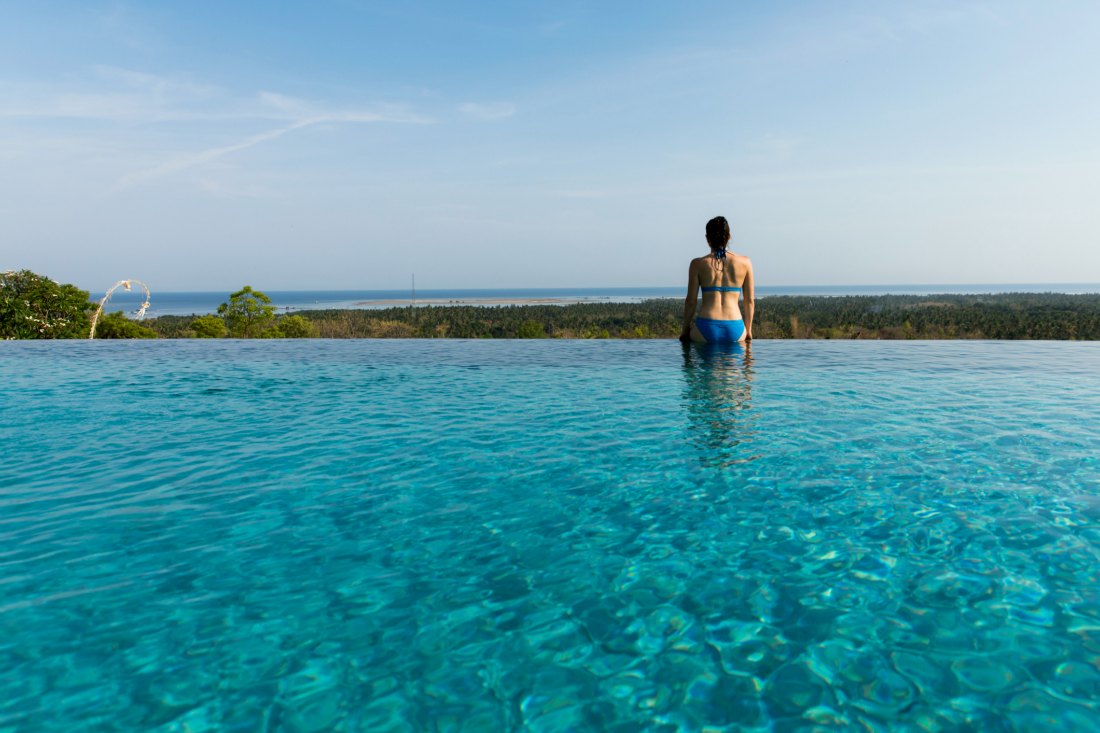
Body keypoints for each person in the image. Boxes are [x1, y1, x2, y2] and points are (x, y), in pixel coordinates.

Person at [680, 216, 755, 343]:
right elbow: (749, 301)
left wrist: (685, 330)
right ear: (729, 236)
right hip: (735, 328)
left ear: (707, 238)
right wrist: (749, 331)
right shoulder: (745, 262)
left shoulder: (697, 264)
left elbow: (691, 302)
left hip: (705, 327)